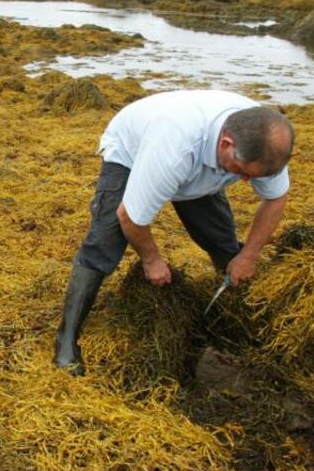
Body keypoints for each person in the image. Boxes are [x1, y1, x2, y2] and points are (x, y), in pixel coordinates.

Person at [54, 89, 294, 376]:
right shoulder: (173, 148)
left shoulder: (265, 140)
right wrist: (152, 260)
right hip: (133, 150)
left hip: (199, 163)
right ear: (226, 143)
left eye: (253, 176)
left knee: (220, 239)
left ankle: (236, 314)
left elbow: (276, 198)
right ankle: (66, 339)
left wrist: (249, 256)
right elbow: (129, 216)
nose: (244, 180)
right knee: (105, 243)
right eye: (241, 171)